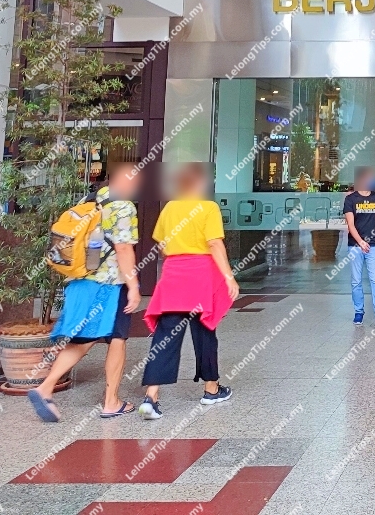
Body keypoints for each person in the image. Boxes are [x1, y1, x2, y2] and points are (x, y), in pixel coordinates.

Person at [28, 163, 142, 422]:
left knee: (82, 340)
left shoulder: (91, 198)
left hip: (80, 281)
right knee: (117, 339)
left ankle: (46, 388)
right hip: (109, 284)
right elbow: (123, 249)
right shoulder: (124, 206)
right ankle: (110, 402)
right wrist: (134, 286)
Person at [137, 163, 240, 420]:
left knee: (165, 337)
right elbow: (214, 243)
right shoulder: (208, 208)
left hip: (173, 277)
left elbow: (161, 245)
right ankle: (211, 389)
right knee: (205, 332)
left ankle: (151, 397)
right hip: (201, 277)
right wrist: (229, 277)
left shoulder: (170, 208)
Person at [343, 166, 375, 328]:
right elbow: (350, 224)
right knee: (356, 281)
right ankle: (359, 311)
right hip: (356, 246)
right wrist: (361, 242)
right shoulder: (350, 199)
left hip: (374, 245)